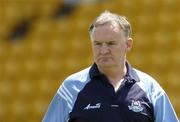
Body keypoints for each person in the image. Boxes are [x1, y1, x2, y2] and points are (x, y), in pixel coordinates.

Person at [42, 11, 179, 122]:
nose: (103, 50)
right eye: (98, 44)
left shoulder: (151, 88)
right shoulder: (71, 87)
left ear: (128, 44)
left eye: (111, 43)